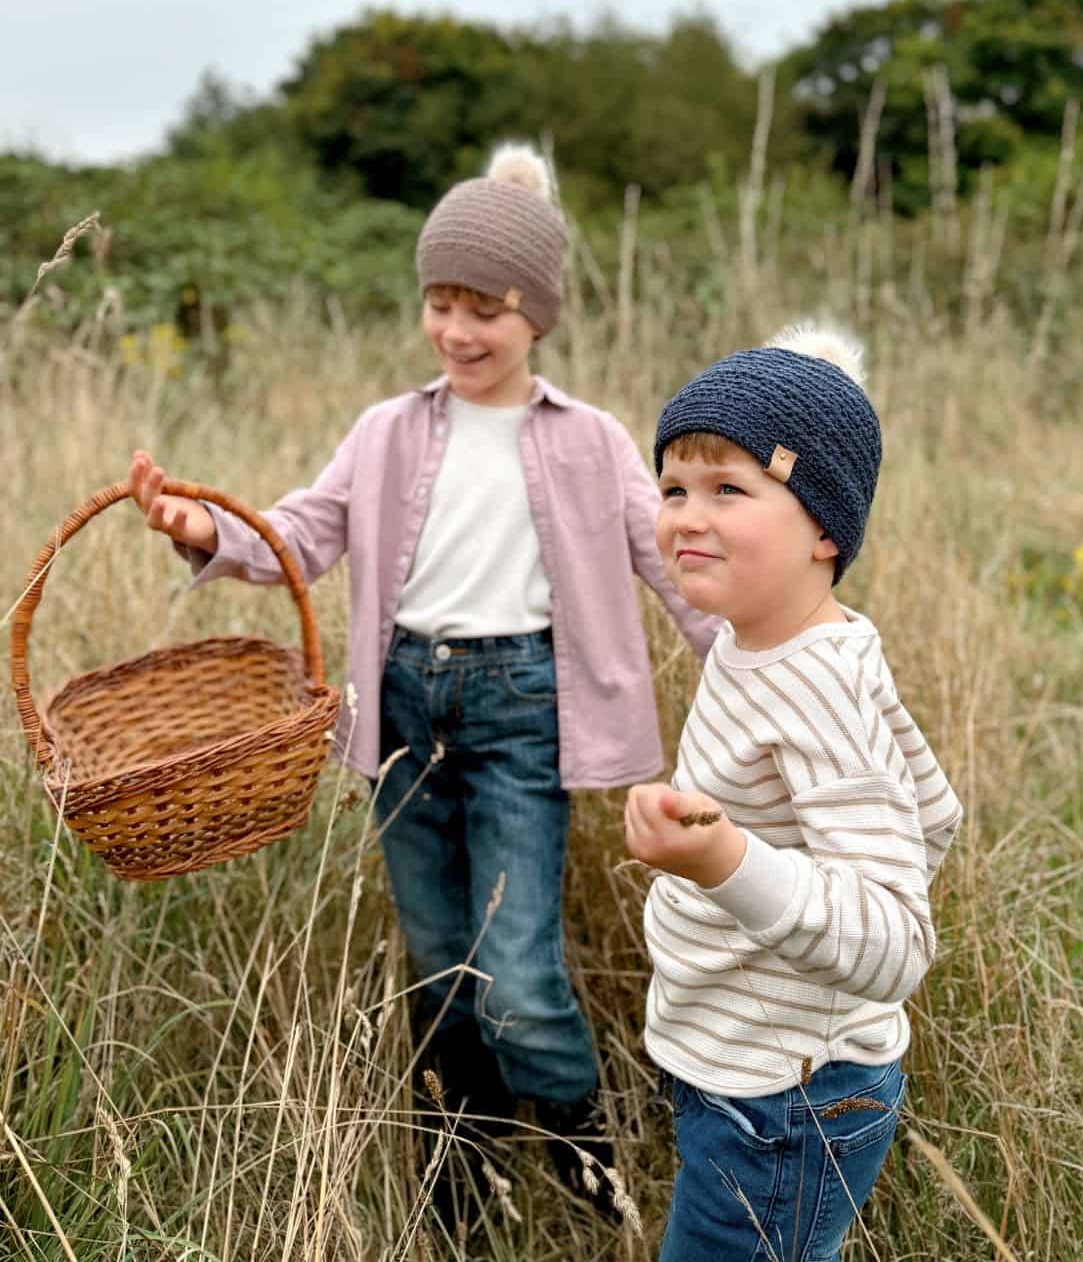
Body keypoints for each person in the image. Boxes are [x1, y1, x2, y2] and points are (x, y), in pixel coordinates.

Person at [127, 143, 719, 1232]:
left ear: (536, 313)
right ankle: (465, 1187)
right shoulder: (388, 429)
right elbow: (302, 535)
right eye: (439, 304)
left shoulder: (587, 441)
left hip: (522, 709)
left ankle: (594, 1180)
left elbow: (673, 562)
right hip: (402, 705)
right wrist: (204, 527)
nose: (457, 332)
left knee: (520, 972)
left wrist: (769, 652)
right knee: (440, 965)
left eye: (484, 310)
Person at [624, 322, 962, 1261]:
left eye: (728, 489)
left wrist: (727, 860)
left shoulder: (812, 683)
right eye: (674, 489)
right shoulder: (764, 637)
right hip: (751, 1066)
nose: (687, 515)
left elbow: (896, 944)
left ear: (825, 527)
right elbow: (931, 810)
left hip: (788, 1096)